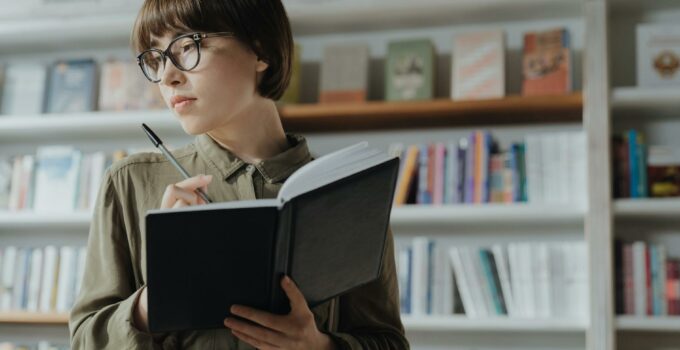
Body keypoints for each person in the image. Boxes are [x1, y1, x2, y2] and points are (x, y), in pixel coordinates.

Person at [68, 0, 408, 349]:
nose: (167, 76)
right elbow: (84, 342)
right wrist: (155, 298)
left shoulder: (347, 193)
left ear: (260, 49)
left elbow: (389, 342)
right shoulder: (130, 183)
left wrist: (318, 346)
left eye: (187, 47)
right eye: (155, 59)